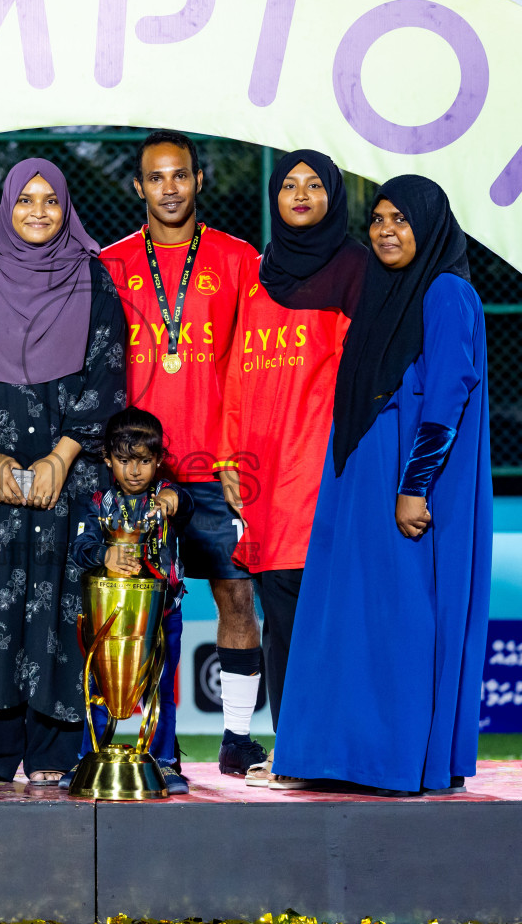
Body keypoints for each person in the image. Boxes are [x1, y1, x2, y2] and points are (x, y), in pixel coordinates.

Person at [262, 157, 492, 797]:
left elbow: (448, 392)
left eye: (401, 220)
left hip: (402, 481)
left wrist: (414, 486)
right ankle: (345, 755)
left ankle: (394, 760)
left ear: (430, 227)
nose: (387, 231)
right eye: (379, 219)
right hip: (360, 476)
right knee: (352, 617)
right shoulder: (389, 292)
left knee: (401, 619)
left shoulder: (445, 291)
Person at [100, 130, 267, 778]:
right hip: (140, 475)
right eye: (156, 178)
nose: (169, 188)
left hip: (220, 469)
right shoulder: (110, 265)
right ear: (138, 186)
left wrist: (240, 452)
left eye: (180, 176)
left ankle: (234, 738)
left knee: (236, 596)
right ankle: (148, 742)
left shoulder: (237, 260)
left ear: (200, 181)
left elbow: (259, 364)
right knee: (144, 609)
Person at [0, 157, 127, 786]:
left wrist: (63, 454)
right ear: (6, 206)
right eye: (25, 200)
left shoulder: (93, 280)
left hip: (71, 473)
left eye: (49, 201)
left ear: (66, 209)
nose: (37, 212)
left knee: (60, 605)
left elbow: (109, 373)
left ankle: (56, 750)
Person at [216, 158, 350, 786]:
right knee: (281, 622)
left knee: (330, 620)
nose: (301, 195)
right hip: (265, 485)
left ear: (334, 196)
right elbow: (237, 379)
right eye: (289, 185)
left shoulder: (352, 273)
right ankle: (296, 750)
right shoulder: (259, 275)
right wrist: (228, 460)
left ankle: (333, 750)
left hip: (326, 478)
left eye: (315, 184)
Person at [67, 408, 192, 795]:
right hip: (108, 618)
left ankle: (165, 763)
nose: (134, 471)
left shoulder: (166, 497)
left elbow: (186, 505)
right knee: (97, 690)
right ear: (107, 459)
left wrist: (174, 495)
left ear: (158, 461)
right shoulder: (97, 502)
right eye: (124, 461)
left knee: (161, 690)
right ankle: (89, 757)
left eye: (144, 461)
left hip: (162, 614)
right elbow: (80, 548)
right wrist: (105, 556)